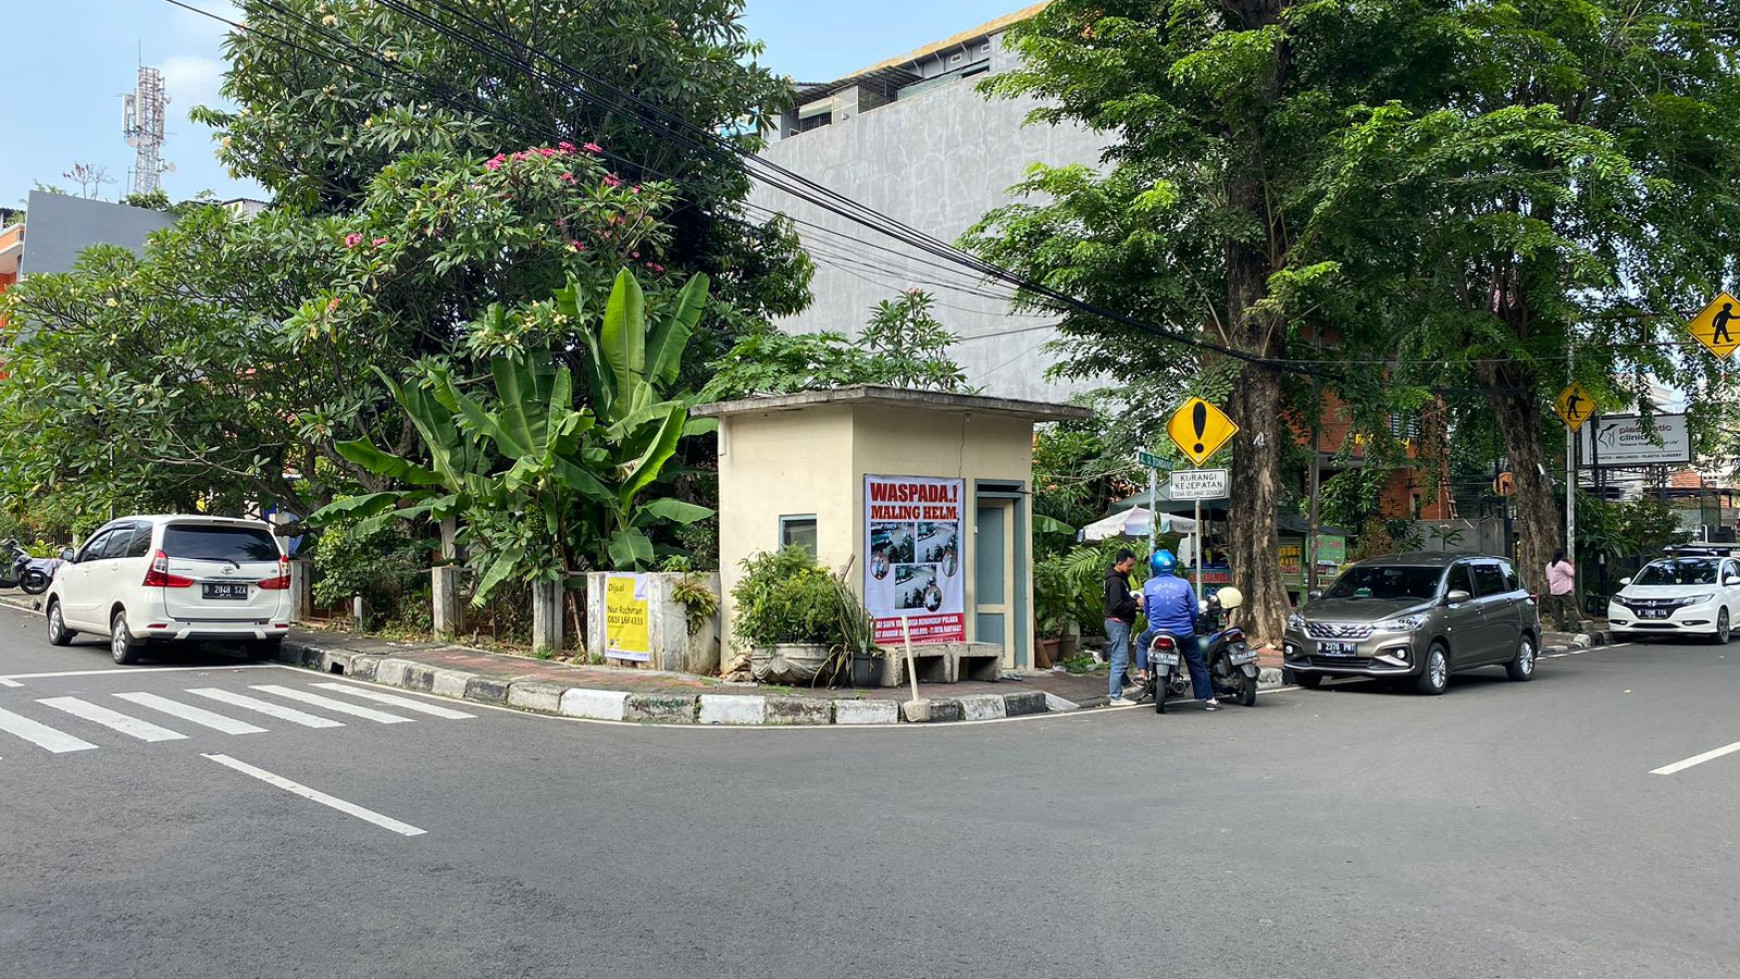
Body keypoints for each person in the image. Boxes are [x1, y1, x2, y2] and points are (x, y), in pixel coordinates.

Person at [1134, 549, 1219, 710]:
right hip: (1184, 632)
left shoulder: (1148, 585)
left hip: (1158, 631)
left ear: (1154, 567)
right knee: (1196, 662)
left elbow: (1147, 611)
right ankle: (1209, 699)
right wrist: (1190, 625)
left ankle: (1143, 672)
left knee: (1142, 642)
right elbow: (1193, 609)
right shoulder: (1184, 584)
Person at [1103, 548, 1141, 706]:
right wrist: (1135, 604)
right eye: (1129, 565)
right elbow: (1117, 605)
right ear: (1120, 563)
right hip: (1117, 622)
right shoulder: (1115, 582)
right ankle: (1115, 697)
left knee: (1121, 656)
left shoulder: (1120, 578)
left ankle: (1127, 684)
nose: (1131, 569)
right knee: (1120, 660)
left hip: (1120, 622)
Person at [1546, 549, 1577, 631]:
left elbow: (1548, 578)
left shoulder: (1549, 565)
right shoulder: (1563, 565)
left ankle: (1559, 626)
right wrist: (1571, 565)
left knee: (1557, 611)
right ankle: (1574, 628)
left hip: (1554, 590)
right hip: (1565, 590)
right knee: (1571, 609)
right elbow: (1571, 573)